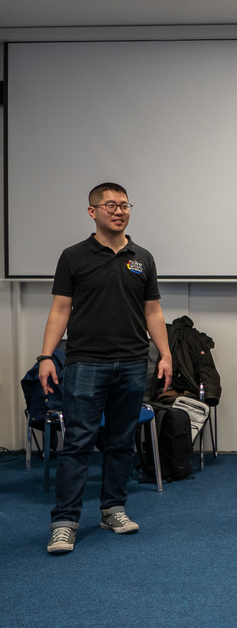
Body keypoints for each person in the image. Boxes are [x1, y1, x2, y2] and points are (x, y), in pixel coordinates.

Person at [41, 182, 173, 555]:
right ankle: (65, 522)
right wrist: (46, 356)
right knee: (78, 444)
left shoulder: (142, 257)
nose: (119, 211)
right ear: (92, 211)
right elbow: (60, 309)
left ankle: (113, 508)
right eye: (110, 205)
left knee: (121, 443)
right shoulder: (73, 256)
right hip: (85, 363)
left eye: (125, 205)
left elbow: (153, 311)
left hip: (133, 363)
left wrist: (164, 354)